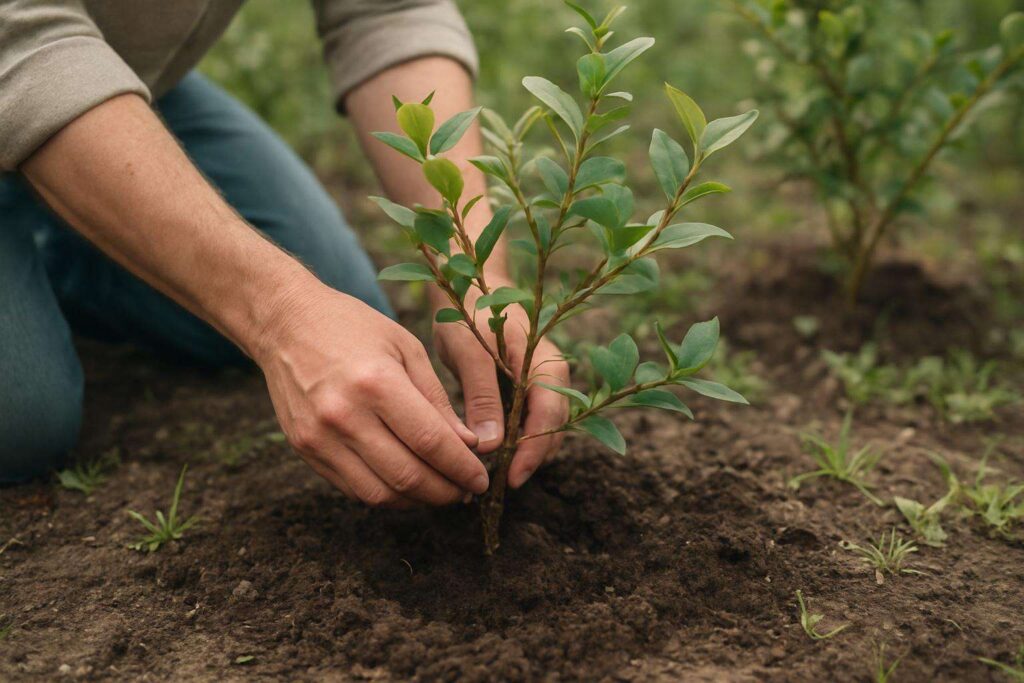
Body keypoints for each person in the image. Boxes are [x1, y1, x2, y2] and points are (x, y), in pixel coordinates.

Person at [0, 1, 569, 507]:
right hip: (26, 45)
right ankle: (65, 203)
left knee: (341, 297)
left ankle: (67, 221)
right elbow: (23, 38)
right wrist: (280, 315)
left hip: (115, 70)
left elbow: (389, 12)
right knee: (23, 421)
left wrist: (471, 269)